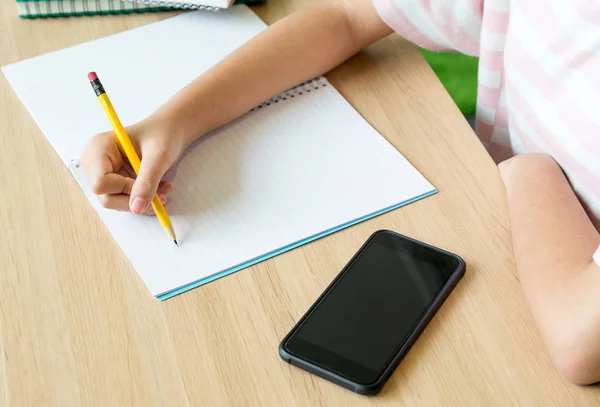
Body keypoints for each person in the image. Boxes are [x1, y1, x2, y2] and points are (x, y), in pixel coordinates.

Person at [81, 0, 600, 384]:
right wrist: (174, 121)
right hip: (495, 232)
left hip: (531, 320)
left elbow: (581, 343)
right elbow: (348, 15)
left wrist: (530, 171)